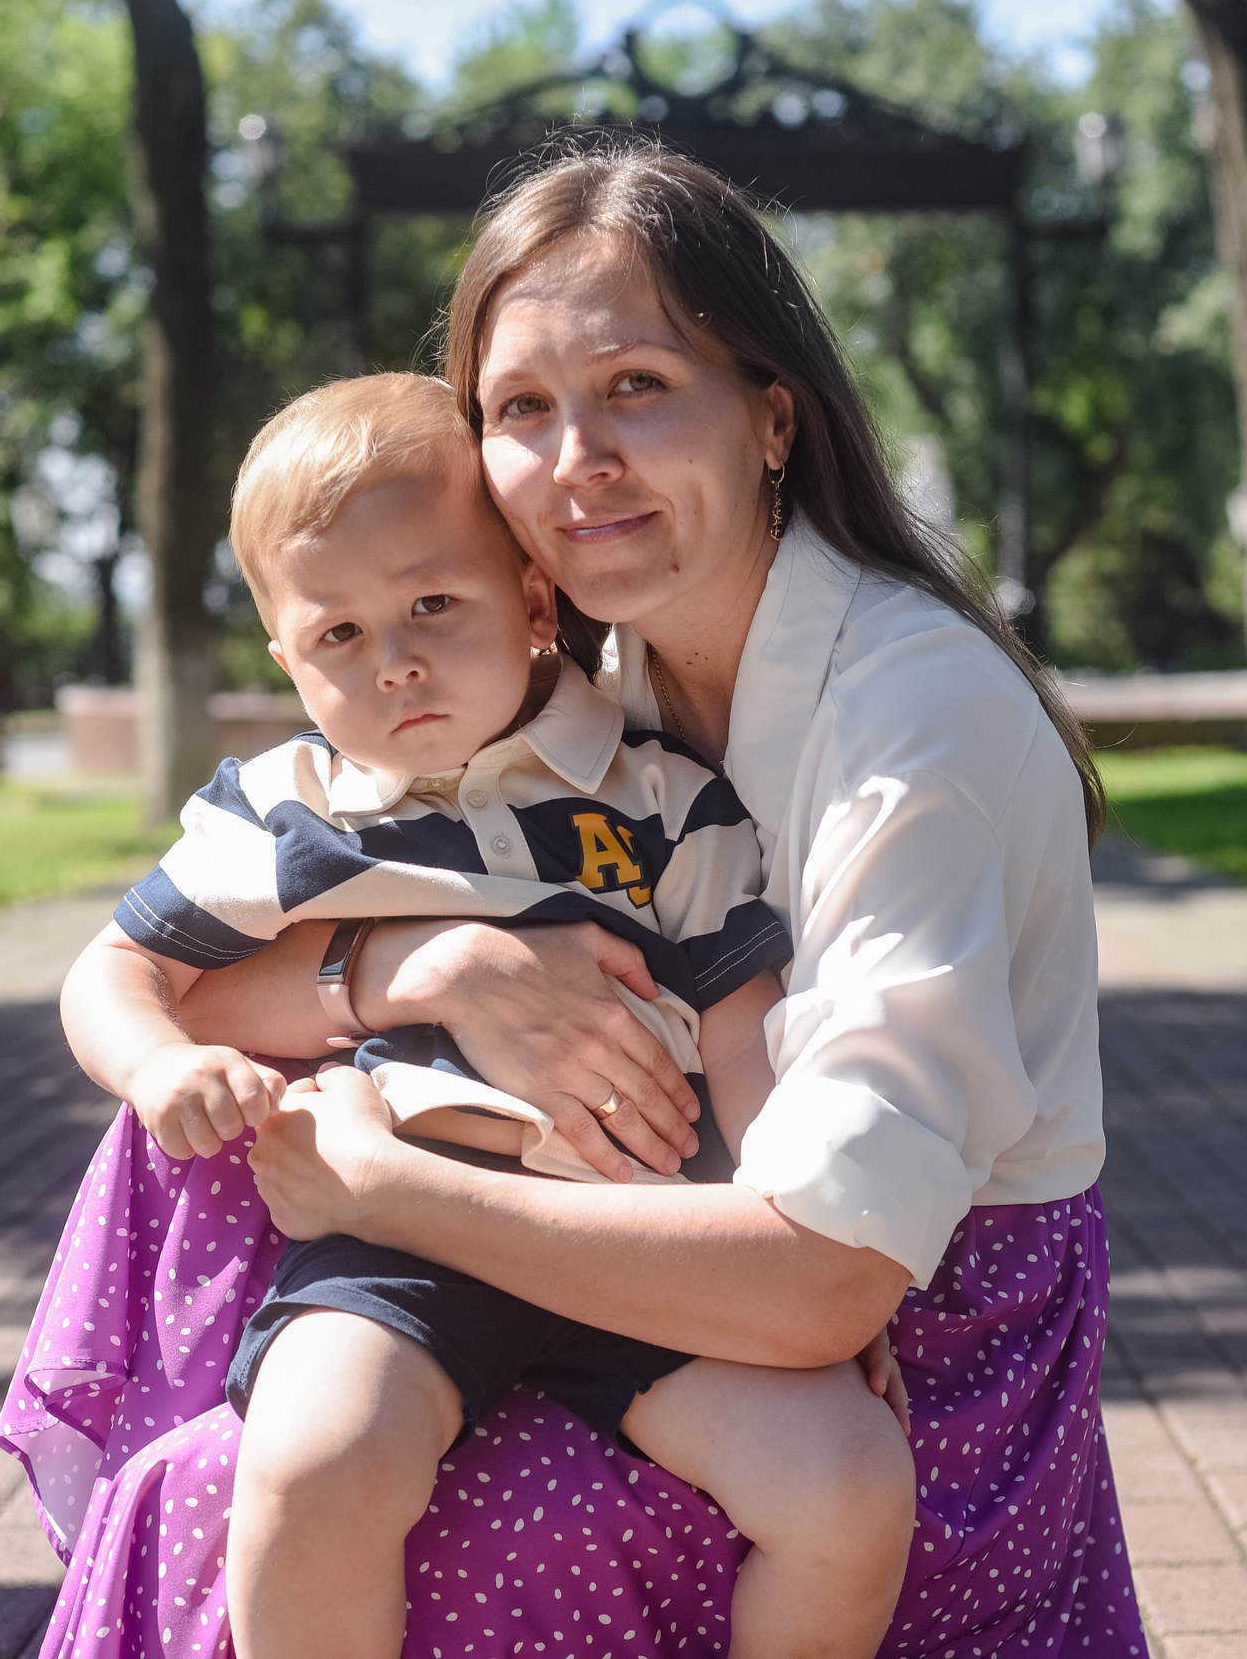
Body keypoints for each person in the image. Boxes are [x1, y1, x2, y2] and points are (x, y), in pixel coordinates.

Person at [1, 137, 1140, 1658]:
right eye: (523, 410)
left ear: (773, 413)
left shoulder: (907, 725)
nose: (577, 459)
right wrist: (431, 968)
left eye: (639, 389)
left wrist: (391, 1189)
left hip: (894, 1332)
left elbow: (822, 1277)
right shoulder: (572, 675)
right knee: (258, 1470)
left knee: (241, 1505)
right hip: (537, 1257)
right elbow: (177, 994)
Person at [58, 372, 918, 1659]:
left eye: (431, 603)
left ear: (529, 598)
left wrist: (800, 1231)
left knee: (849, 1480)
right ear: (285, 659)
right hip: (391, 1236)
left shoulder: (657, 795)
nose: (393, 656)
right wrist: (159, 1062)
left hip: (639, 1227)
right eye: (336, 634)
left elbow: (743, 1026)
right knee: (307, 1465)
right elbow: (111, 971)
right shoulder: (292, 812)